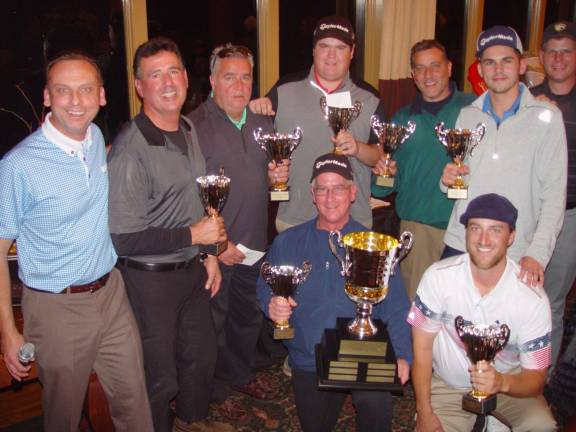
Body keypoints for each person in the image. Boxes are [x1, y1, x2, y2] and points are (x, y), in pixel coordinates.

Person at [0, 52, 153, 432]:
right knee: (63, 417)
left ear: (101, 96)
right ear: (47, 97)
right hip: (57, 308)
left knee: (136, 405)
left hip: (111, 294)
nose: (75, 101)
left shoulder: (96, 137)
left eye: (85, 90)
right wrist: (7, 331)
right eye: (63, 91)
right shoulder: (18, 166)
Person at [107, 37, 230, 432]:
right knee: (160, 380)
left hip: (191, 272)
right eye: (154, 75)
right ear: (140, 87)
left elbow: (195, 204)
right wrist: (195, 235)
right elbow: (123, 239)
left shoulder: (188, 128)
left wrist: (209, 251)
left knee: (201, 361)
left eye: (173, 70)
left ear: (185, 76)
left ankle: (193, 423)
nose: (167, 82)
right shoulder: (130, 150)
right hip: (149, 282)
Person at [256, 153, 412, 432]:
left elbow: (398, 307)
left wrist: (402, 355)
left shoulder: (372, 244)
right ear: (312, 195)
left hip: (364, 351)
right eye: (322, 189)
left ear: (352, 193)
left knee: (377, 408)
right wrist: (271, 303)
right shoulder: (288, 241)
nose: (330, 197)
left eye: (338, 188)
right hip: (309, 357)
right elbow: (264, 282)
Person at [187, 44, 289, 418]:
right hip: (217, 250)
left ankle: (240, 373)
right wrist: (218, 244)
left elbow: (263, 177)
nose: (239, 84)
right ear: (213, 80)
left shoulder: (264, 123)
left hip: (256, 244)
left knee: (247, 317)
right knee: (214, 322)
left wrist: (276, 176)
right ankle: (215, 391)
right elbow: (189, 194)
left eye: (246, 77)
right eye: (229, 76)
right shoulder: (194, 126)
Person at [409, 193, 557, 432]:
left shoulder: (533, 299)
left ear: (511, 237)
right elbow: (422, 350)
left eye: (495, 230)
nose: (484, 239)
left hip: (509, 384)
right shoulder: (437, 277)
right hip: (449, 385)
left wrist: (502, 383)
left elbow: (536, 379)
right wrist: (424, 411)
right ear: (465, 232)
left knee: (542, 426)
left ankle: (495, 419)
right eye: (475, 228)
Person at [441, 26, 567, 289]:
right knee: (449, 325)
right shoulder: (468, 115)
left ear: (522, 65)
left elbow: (554, 196)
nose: (498, 70)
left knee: (508, 329)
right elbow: (459, 187)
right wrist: (448, 181)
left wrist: (537, 254)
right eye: (489, 62)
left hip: (516, 250)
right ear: (480, 70)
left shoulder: (547, 118)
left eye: (506, 61)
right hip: (462, 243)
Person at [250, 15, 383, 231]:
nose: (331, 55)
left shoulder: (370, 98)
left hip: (354, 222)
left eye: (340, 47)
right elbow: (257, 149)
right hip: (294, 219)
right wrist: (254, 109)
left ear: (352, 52)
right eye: (324, 46)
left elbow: (380, 155)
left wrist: (357, 148)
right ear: (313, 50)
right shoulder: (283, 90)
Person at [372, 39, 476, 299]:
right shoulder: (401, 120)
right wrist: (385, 173)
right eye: (420, 68)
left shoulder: (474, 109)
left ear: (449, 68)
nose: (428, 75)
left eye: (435, 66)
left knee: (464, 312)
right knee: (418, 311)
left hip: (469, 229)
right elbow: (383, 189)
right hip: (418, 232)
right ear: (412, 76)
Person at [531, 21, 576, 369]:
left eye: (567, 51)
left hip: (571, 217)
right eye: (553, 51)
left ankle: (540, 380)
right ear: (542, 57)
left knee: (552, 302)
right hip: (529, 213)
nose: (559, 58)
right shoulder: (528, 102)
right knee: (521, 296)